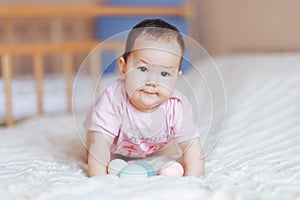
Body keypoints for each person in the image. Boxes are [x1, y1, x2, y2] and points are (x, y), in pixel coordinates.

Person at [87, 19, 204, 177]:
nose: (152, 82)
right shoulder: (113, 99)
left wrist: (194, 181)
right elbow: (99, 144)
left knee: (172, 151)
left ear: (176, 77)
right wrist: (99, 181)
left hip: (154, 144)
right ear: (123, 68)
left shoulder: (177, 106)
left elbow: (193, 149)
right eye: (143, 69)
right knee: (96, 147)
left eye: (164, 74)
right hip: (114, 143)